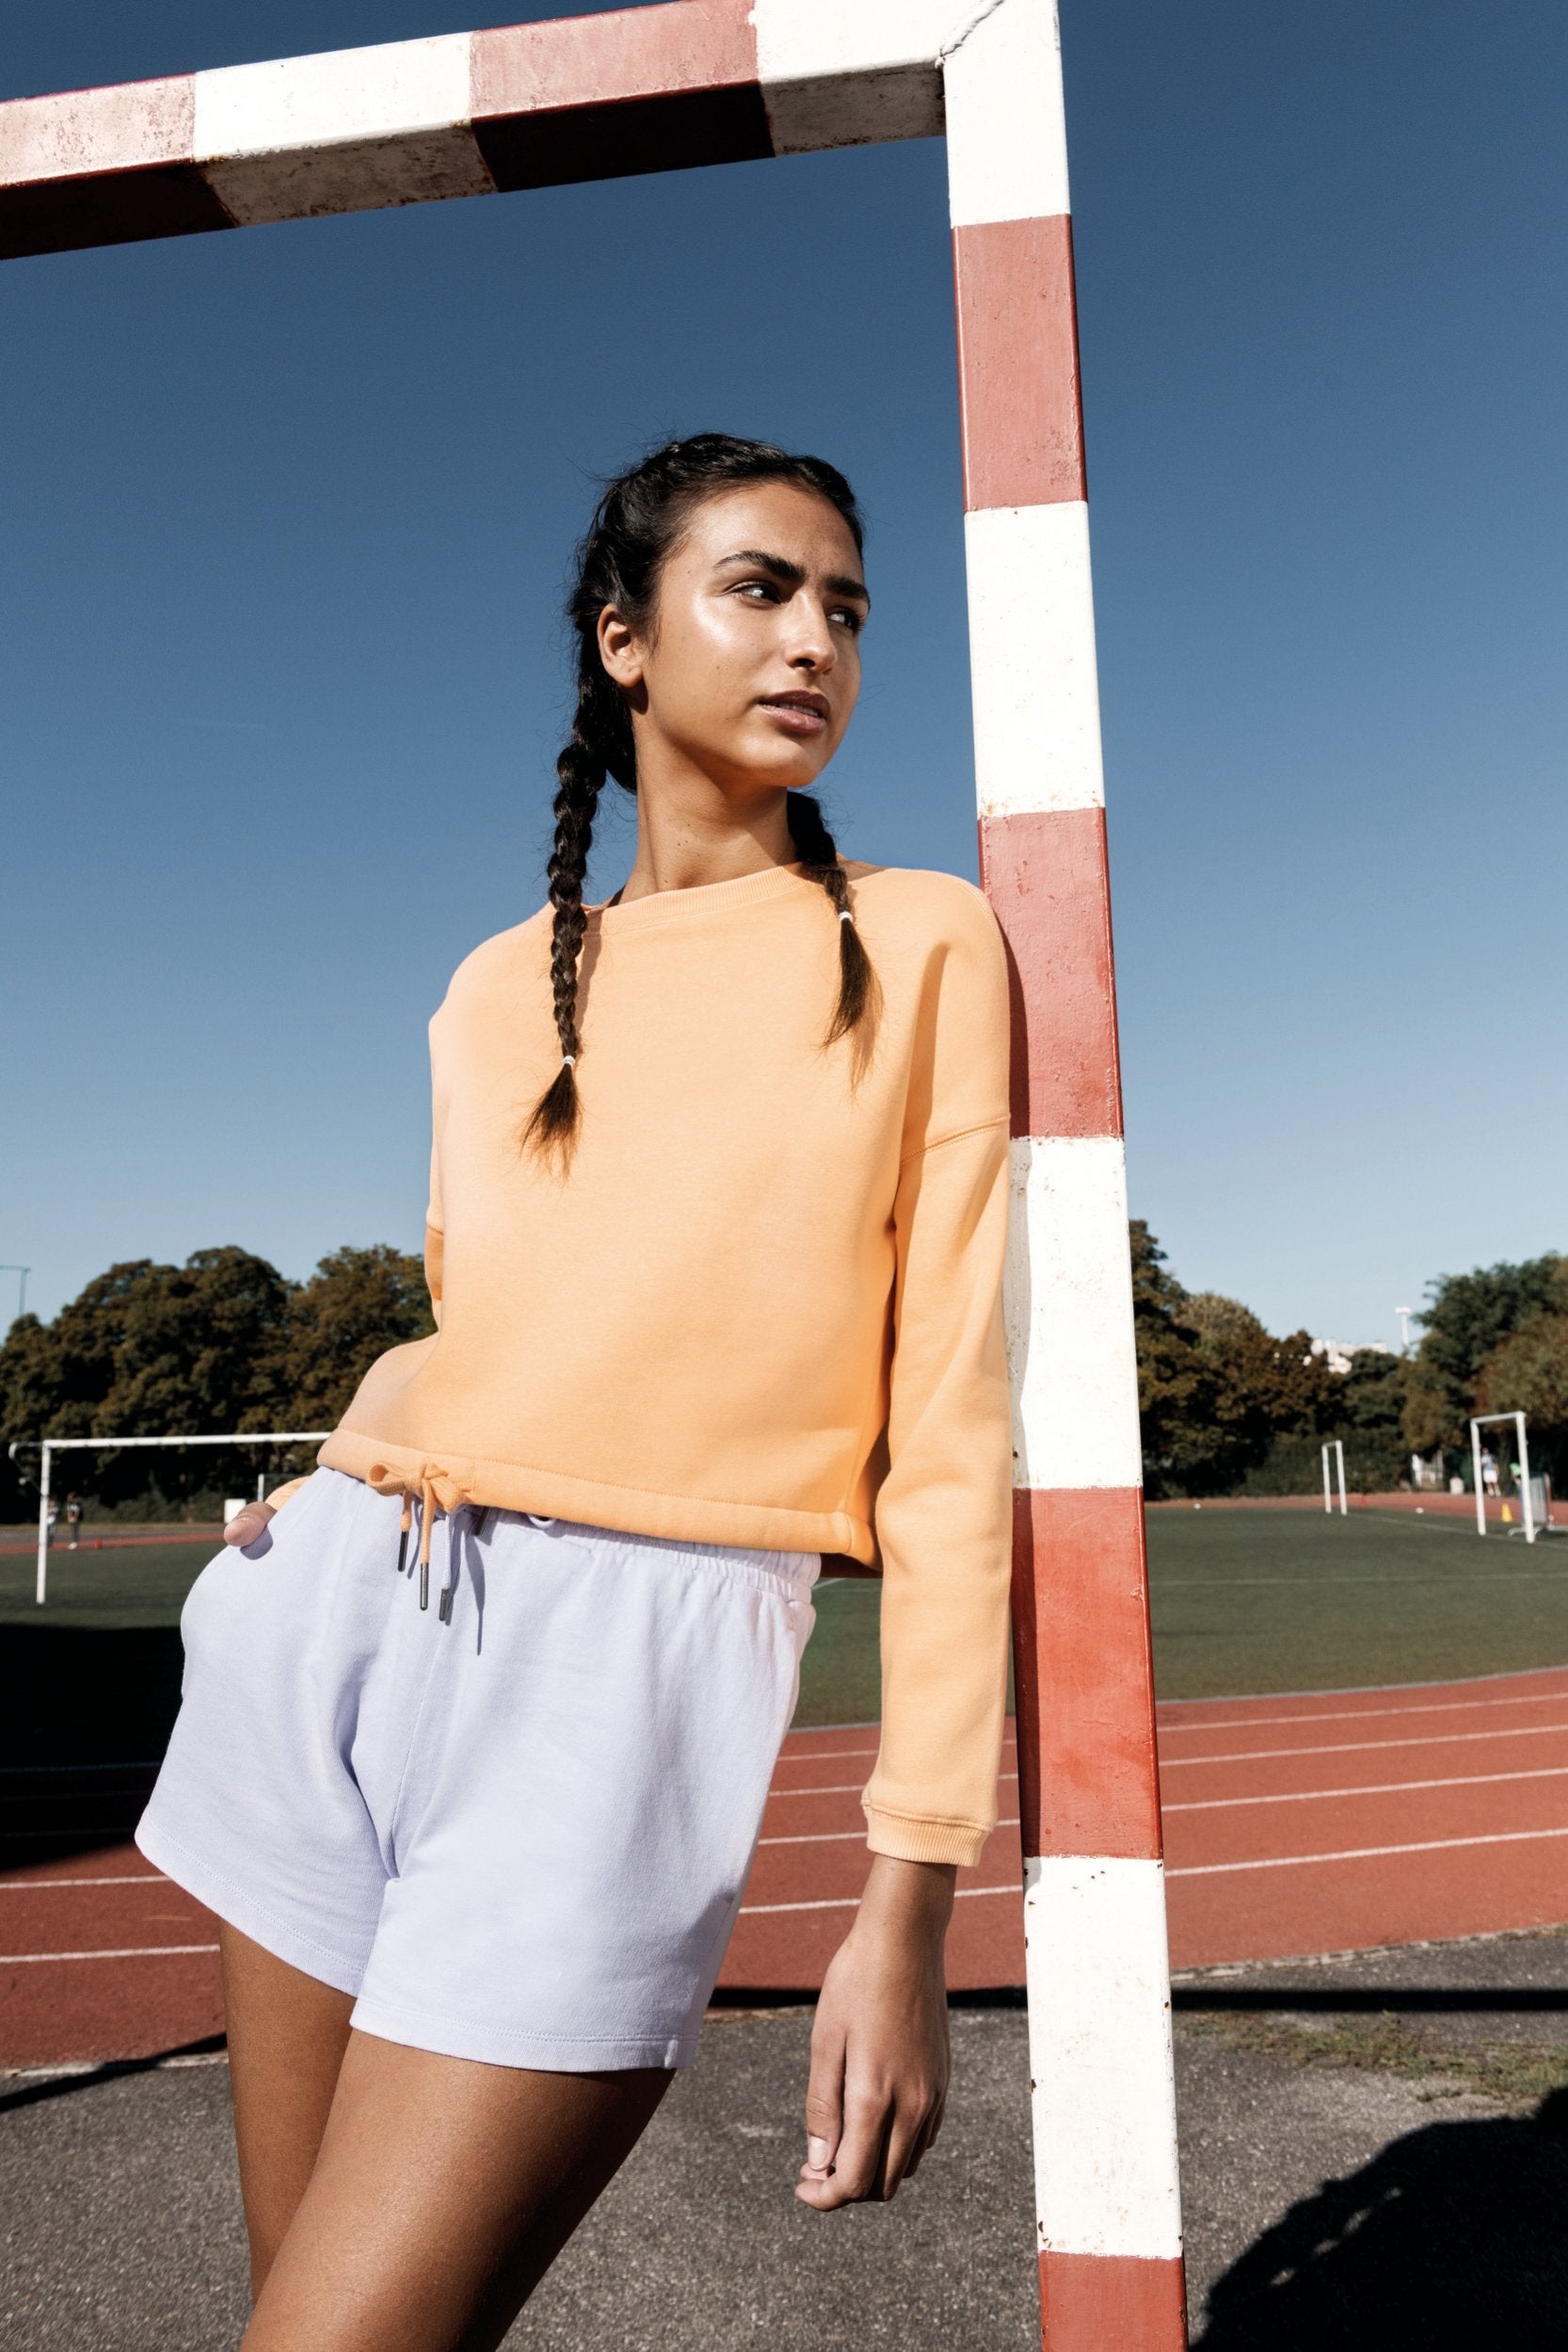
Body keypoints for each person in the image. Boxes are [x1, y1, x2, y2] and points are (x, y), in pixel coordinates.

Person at [135, 436, 1012, 2350]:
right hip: (336, 1611)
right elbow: (485, 1315)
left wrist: (908, 1892)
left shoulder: (922, 940)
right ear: (622, 641)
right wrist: (333, 1481)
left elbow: (948, 1428)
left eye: (845, 607)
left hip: (624, 1666)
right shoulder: (483, 986)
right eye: (758, 587)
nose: (814, 640)